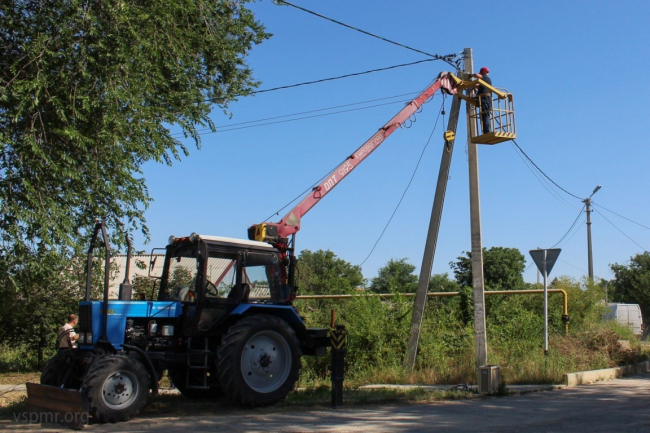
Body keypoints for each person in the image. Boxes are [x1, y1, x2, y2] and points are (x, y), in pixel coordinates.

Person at [473, 67, 492, 134]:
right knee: (484, 115)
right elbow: (477, 86)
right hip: (484, 99)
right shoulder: (483, 82)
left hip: (485, 99)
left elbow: (476, 75)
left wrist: (470, 75)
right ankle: (486, 131)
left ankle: (487, 132)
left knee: (485, 115)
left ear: (483, 73)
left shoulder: (486, 78)